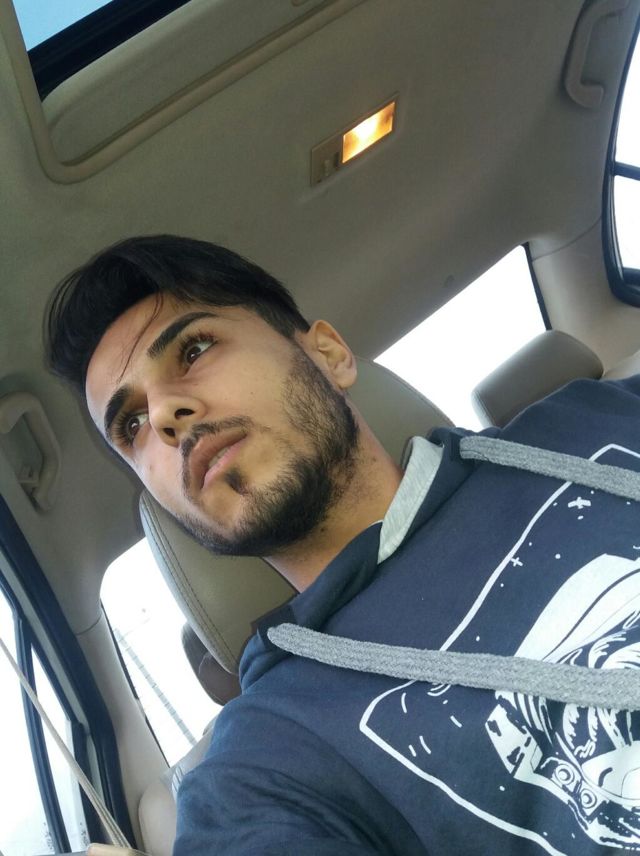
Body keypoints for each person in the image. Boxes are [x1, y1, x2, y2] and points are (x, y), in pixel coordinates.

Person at [47, 234, 640, 855]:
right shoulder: (265, 760)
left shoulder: (591, 421)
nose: (165, 414)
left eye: (194, 349)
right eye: (133, 424)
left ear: (328, 354)